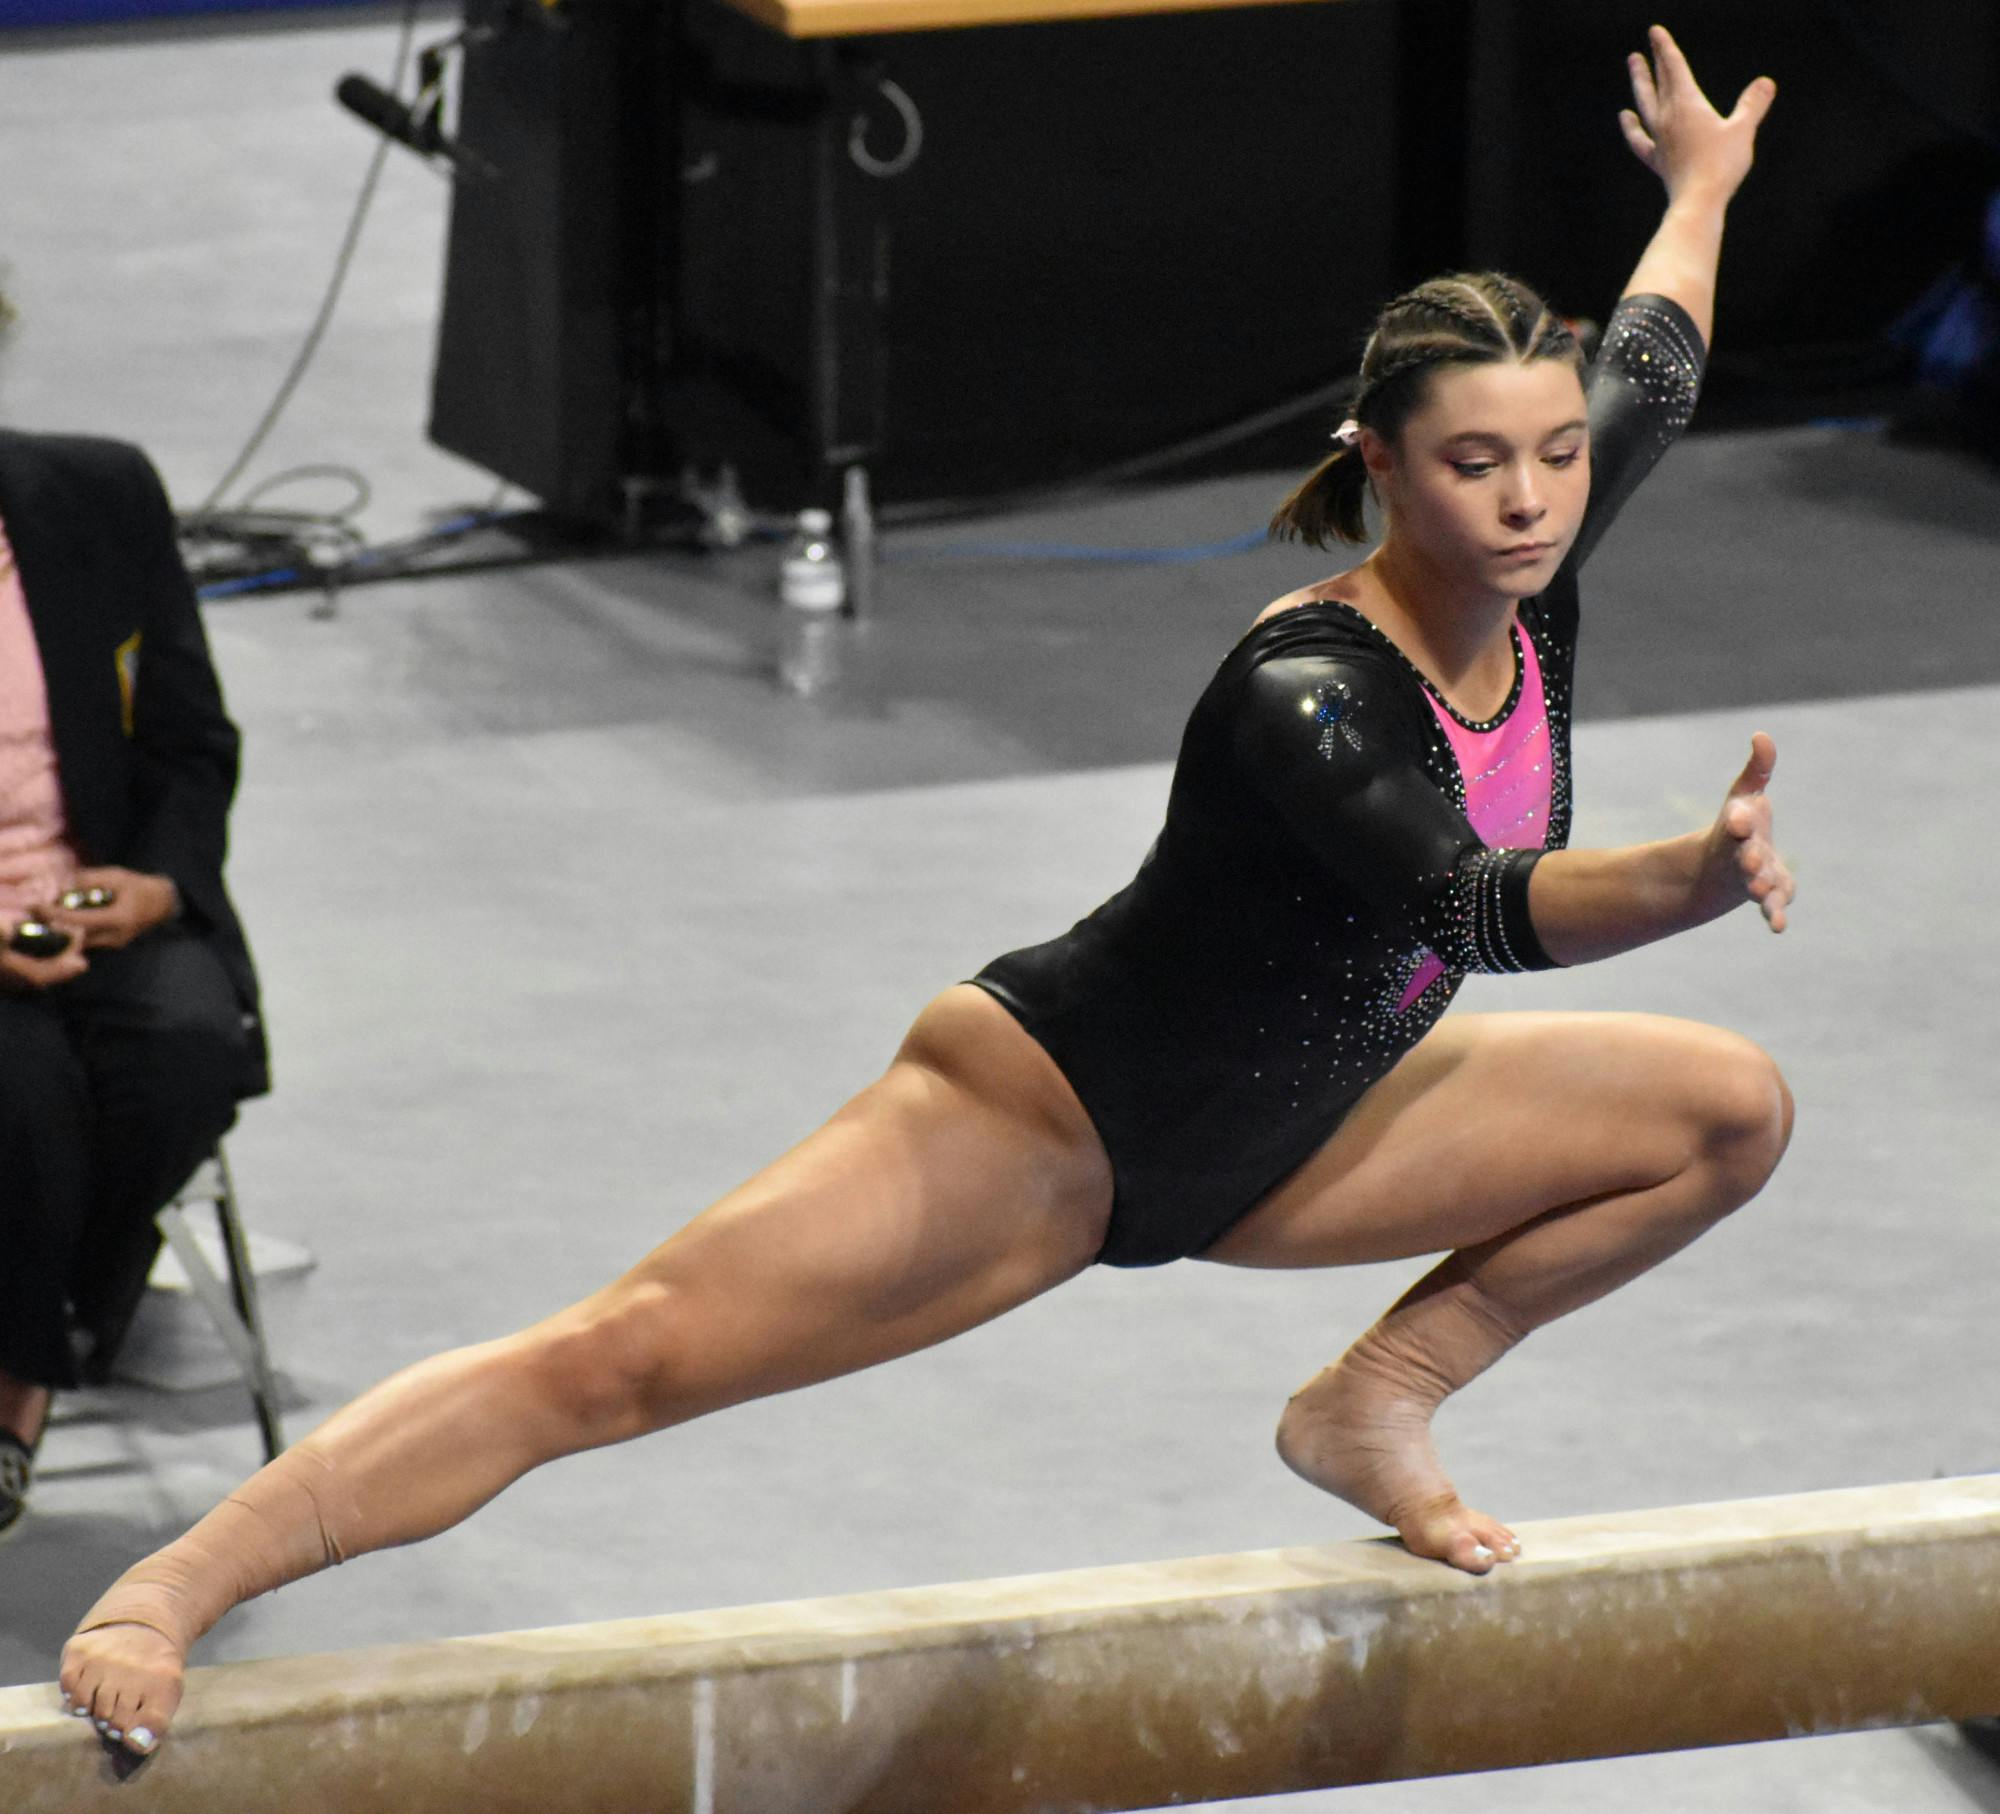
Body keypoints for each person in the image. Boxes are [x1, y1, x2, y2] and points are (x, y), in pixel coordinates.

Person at [61, 26, 1786, 1760]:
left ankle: (1379, 1393)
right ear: (1381, 462)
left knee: (1724, 1112)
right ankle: (180, 1578)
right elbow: (1473, 902)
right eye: (1478, 462)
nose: (1533, 494)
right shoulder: (1310, 687)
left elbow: (1656, 356)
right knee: (623, 1359)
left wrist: (1700, 186)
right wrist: (1696, 870)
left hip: (1315, 1111)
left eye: (1557, 453)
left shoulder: (1543, 536)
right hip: (1052, 1117)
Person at [0, 293, 267, 1541]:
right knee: (26, 1105)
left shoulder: (99, 497)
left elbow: (187, 740)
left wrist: (156, 886)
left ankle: (44, 1339)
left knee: (185, 1047)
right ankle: (20, 1394)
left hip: (96, 904)